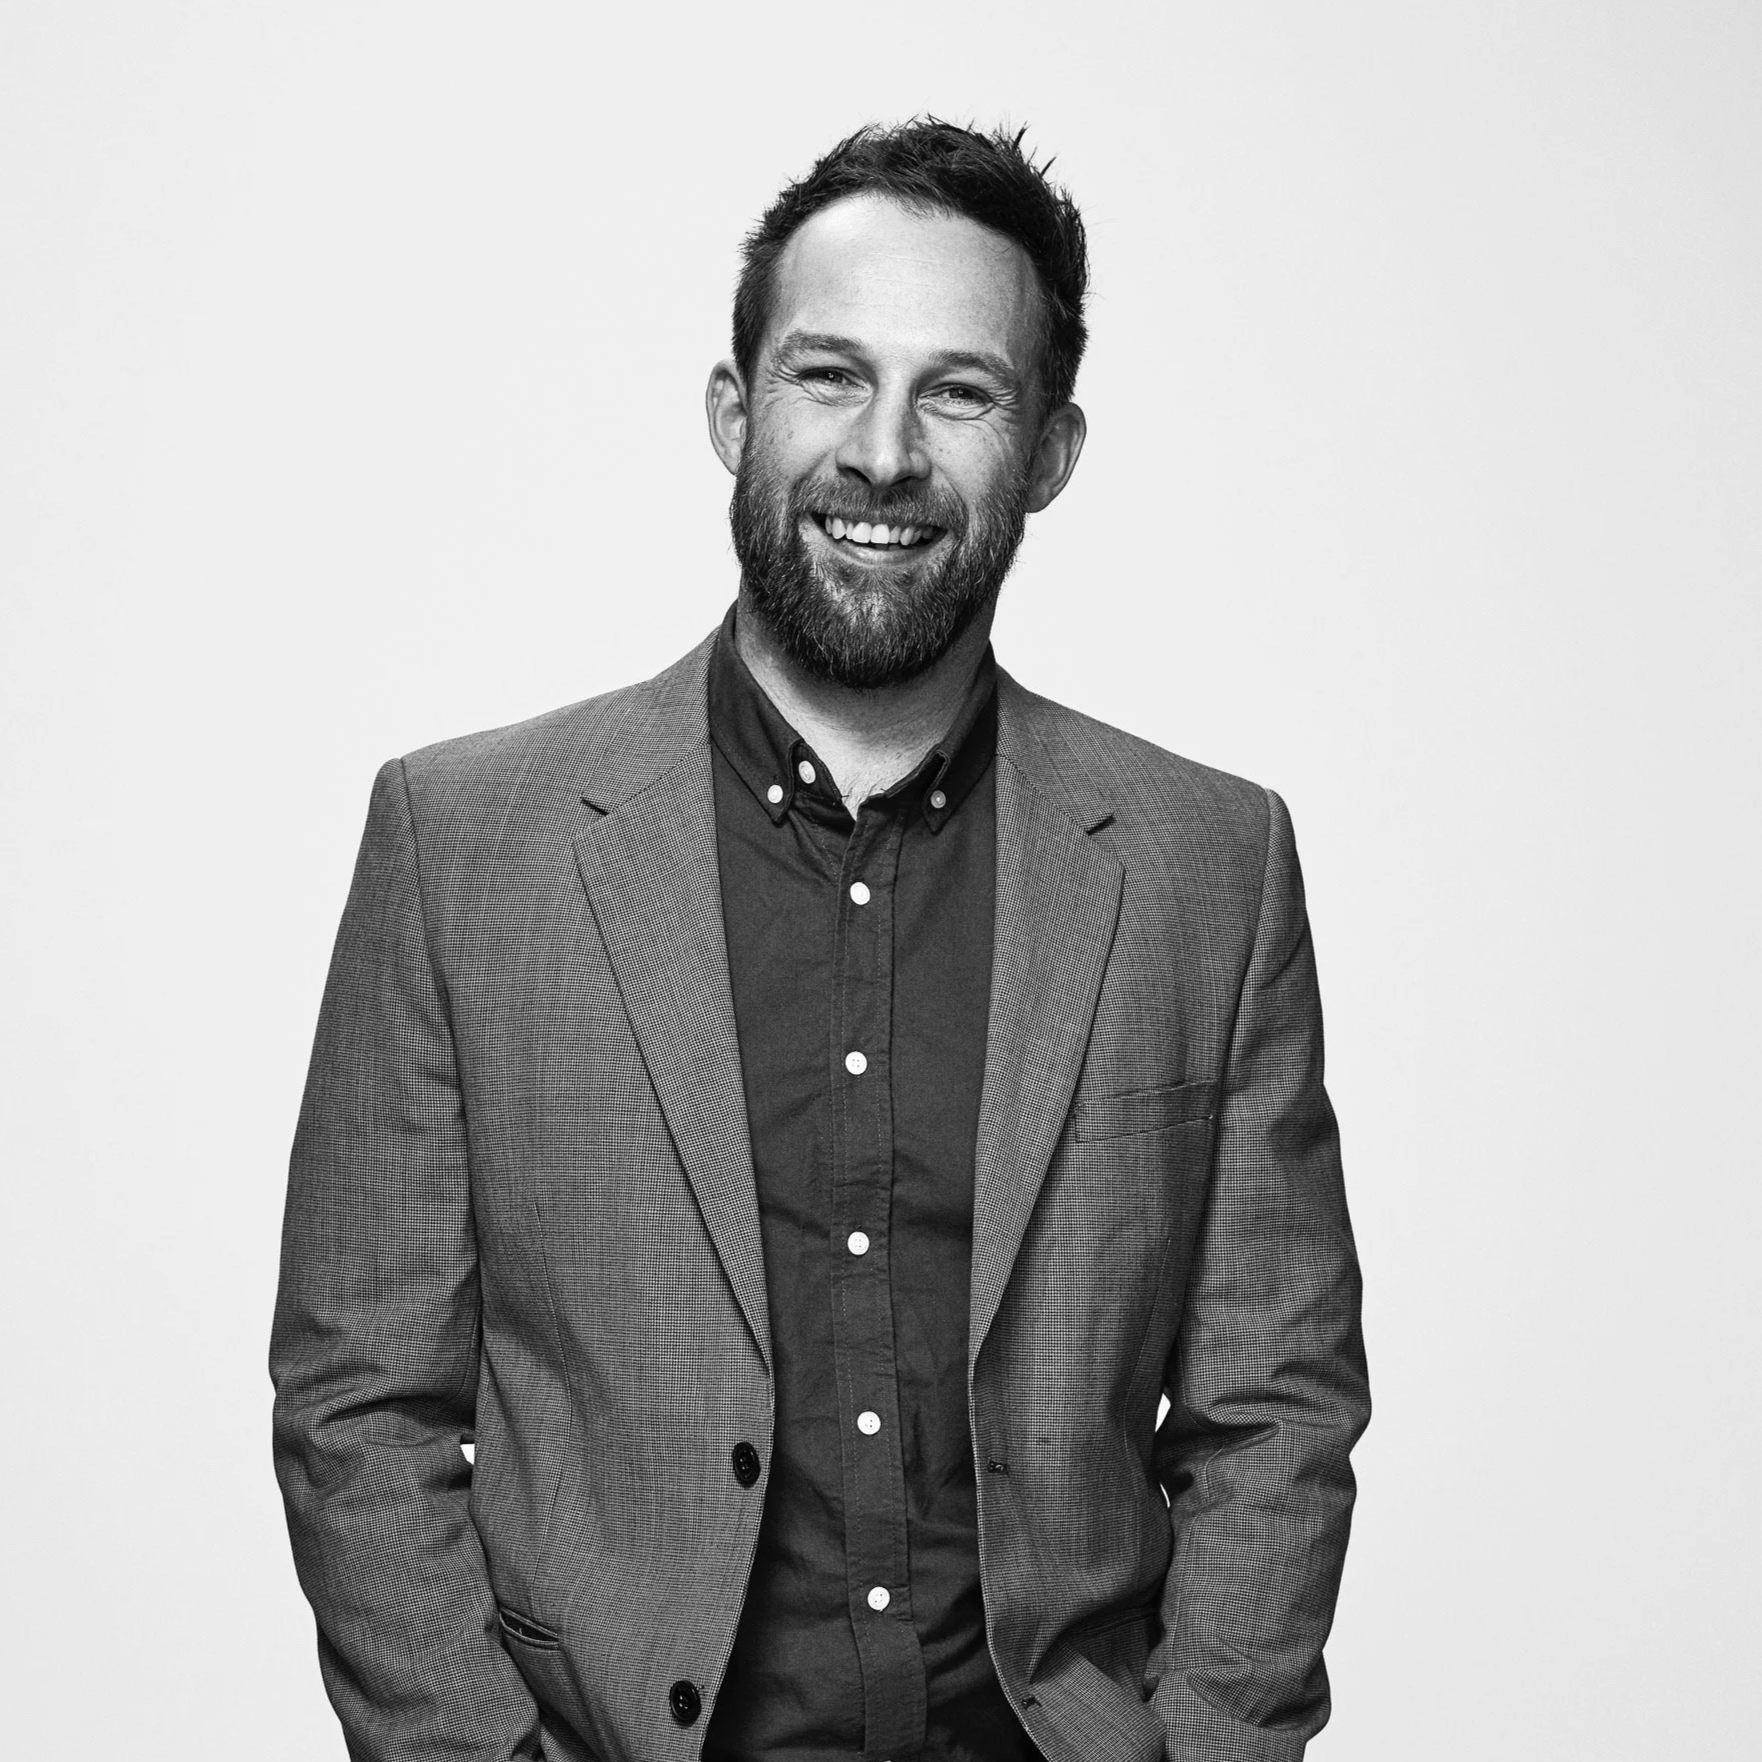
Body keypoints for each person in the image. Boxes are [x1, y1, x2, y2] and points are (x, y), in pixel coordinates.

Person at [270, 119, 1369, 1762]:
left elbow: (1274, 1409)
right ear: (734, 413)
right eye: (828, 376)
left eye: (960, 390)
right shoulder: (464, 844)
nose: (882, 453)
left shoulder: (1206, 866)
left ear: (1052, 447)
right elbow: (360, 1402)